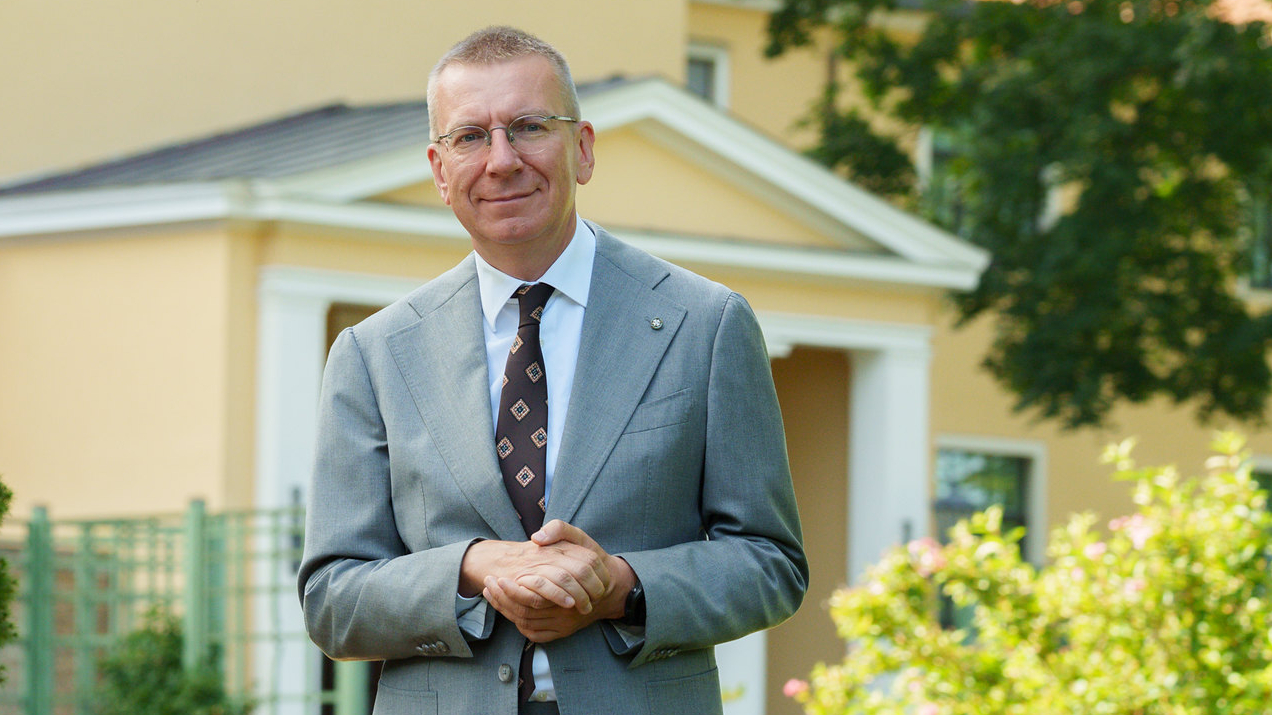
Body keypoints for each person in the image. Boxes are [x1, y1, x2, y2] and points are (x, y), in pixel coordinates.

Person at [298, 25, 808, 715]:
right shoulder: (374, 353)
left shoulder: (705, 324)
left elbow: (771, 562)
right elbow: (332, 599)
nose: (502, 160)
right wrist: (473, 567)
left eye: (529, 127)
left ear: (584, 148)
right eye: (470, 137)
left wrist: (621, 586)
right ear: (440, 171)